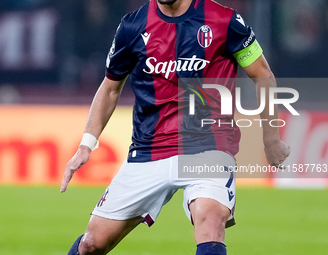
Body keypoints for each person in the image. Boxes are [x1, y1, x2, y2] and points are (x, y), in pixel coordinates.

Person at [60, 0, 291, 254]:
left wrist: (271, 139)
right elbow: (110, 87)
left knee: (210, 221)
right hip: (149, 148)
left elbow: (263, 75)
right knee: (91, 244)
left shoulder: (225, 21)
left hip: (208, 145)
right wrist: (87, 144)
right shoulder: (132, 26)